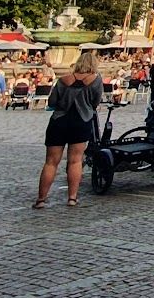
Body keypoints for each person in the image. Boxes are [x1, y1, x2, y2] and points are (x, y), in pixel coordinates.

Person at [35, 54, 103, 208]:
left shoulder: (63, 80)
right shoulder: (96, 80)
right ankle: (72, 197)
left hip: (59, 120)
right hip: (81, 121)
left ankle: (41, 199)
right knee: (75, 160)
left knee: (51, 162)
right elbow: (96, 101)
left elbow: (52, 101)